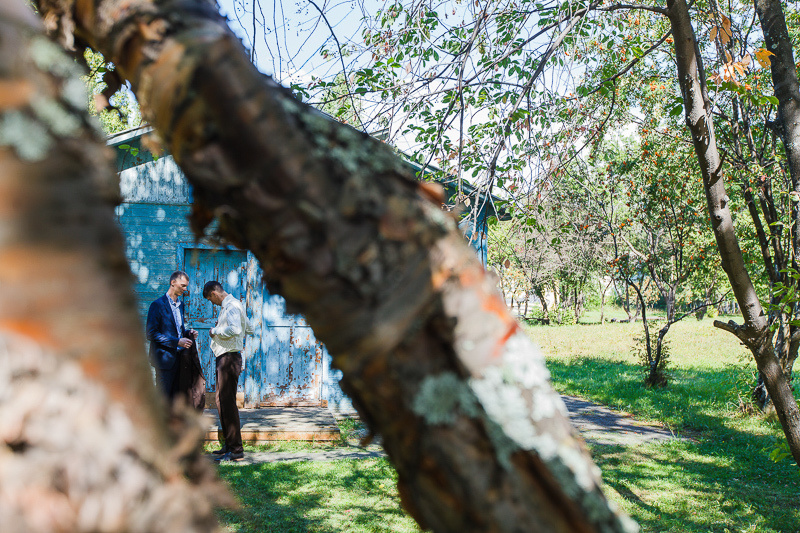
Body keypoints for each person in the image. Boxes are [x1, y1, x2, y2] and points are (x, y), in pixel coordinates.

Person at [203, 280, 253, 462]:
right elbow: (249, 328)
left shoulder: (231, 306)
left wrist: (215, 331)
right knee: (220, 400)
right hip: (228, 356)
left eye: (210, 299)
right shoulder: (235, 305)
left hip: (229, 358)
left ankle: (236, 450)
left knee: (227, 402)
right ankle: (229, 444)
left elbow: (236, 329)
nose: (212, 303)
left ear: (214, 294)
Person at [146, 271, 198, 402]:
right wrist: (177, 342)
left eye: (186, 286)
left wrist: (188, 334)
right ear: (173, 282)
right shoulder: (157, 305)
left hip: (180, 360)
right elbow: (151, 333)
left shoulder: (181, 305)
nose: (185, 289)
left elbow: (177, 331)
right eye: (183, 285)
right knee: (163, 399)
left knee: (176, 400)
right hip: (164, 361)